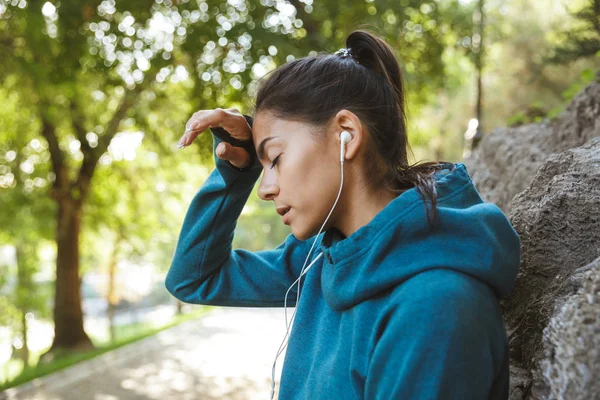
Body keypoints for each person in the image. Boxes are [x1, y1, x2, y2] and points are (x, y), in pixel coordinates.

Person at [166, 29, 521, 400]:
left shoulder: (436, 308)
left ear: (346, 135)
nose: (265, 188)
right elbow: (194, 278)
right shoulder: (322, 258)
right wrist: (236, 173)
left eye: (275, 158)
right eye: (262, 166)